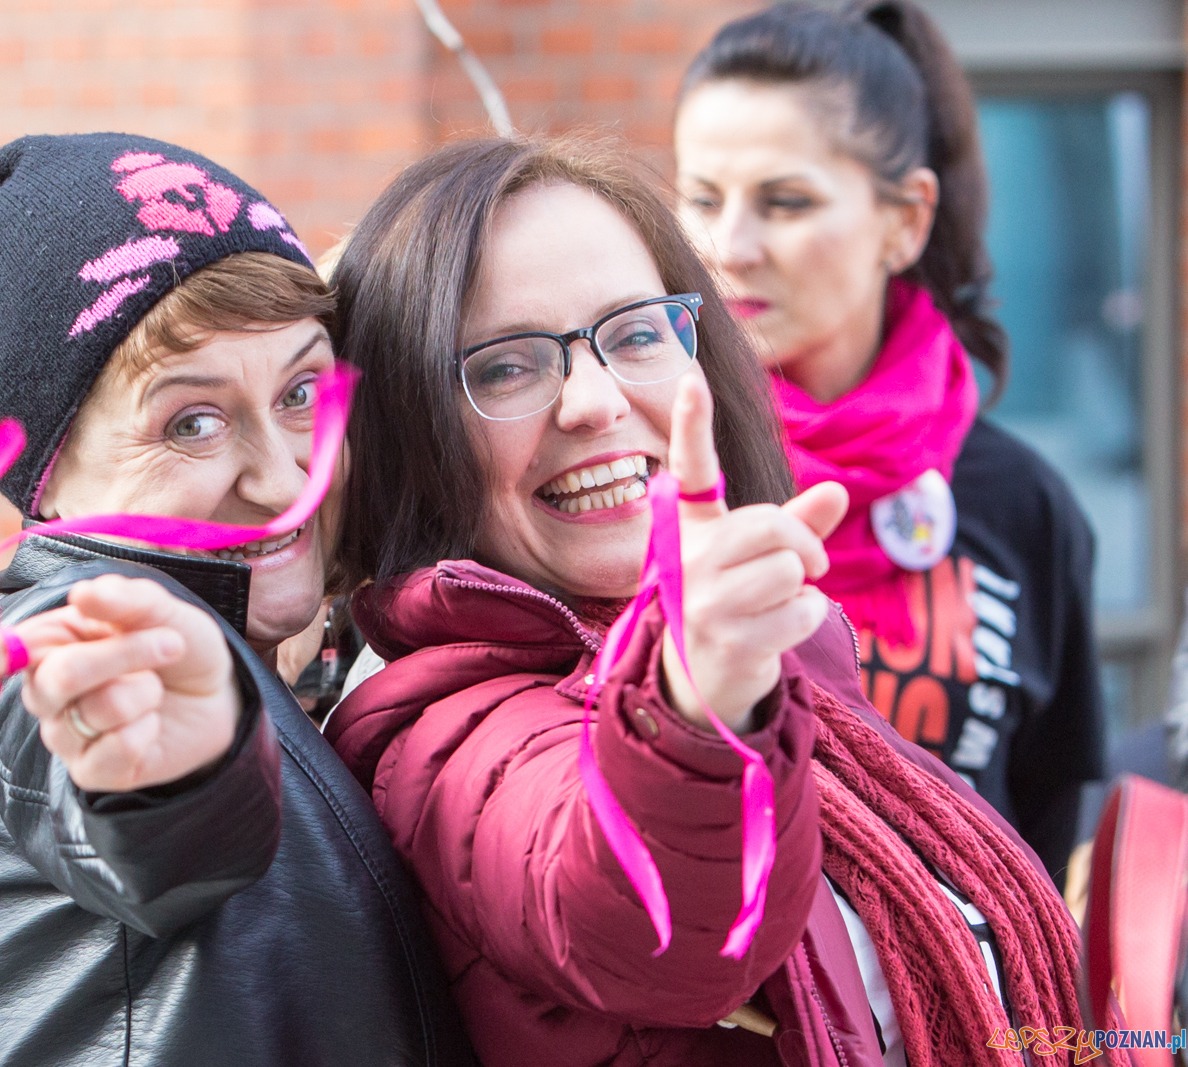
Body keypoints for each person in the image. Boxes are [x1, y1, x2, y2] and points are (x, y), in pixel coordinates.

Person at [324, 136, 1094, 1067]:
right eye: (504, 367)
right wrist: (694, 707)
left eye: (637, 332)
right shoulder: (440, 733)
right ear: (407, 435)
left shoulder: (786, 653)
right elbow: (643, 915)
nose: (594, 402)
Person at [0, 133, 471, 1067]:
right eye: (190, 422)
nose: (285, 480)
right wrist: (182, 770)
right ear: (53, 486)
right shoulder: (71, 650)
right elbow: (138, 803)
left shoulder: (318, 651)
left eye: (301, 393)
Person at [671, 0, 1103, 882]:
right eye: (703, 198)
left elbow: (1053, 811)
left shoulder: (1021, 504)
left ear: (906, 219)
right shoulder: (649, 475)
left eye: (785, 201)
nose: (731, 244)